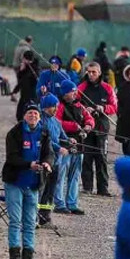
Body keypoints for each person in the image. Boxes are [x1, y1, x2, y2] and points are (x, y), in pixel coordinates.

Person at [3, 103, 54, 259]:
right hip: (15, 182)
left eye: (35, 113)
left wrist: (47, 163)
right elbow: (11, 158)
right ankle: (14, 258)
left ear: (39, 116)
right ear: (24, 116)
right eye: (30, 113)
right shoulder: (15, 133)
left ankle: (28, 257)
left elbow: (49, 153)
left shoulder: (44, 132)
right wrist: (29, 164)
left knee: (30, 222)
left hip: (33, 183)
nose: (33, 116)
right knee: (16, 221)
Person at [78, 62, 118, 196]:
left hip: (102, 127)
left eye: (93, 72)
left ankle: (103, 189)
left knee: (102, 158)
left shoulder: (107, 88)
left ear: (99, 73)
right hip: (87, 128)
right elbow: (74, 103)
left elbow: (114, 107)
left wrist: (103, 108)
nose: (91, 74)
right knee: (87, 158)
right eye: (88, 72)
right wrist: (84, 110)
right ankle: (87, 187)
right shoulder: (81, 87)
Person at [53, 82, 92, 216]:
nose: (75, 94)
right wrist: (73, 126)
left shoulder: (80, 106)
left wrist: (88, 126)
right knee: (61, 175)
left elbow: (90, 118)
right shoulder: (59, 106)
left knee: (75, 177)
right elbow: (56, 123)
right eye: (72, 91)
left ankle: (72, 203)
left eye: (75, 91)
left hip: (79, 145)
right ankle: (59, 203)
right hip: (64, 145)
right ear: (64, 93)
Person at [36, 94, 65, 227]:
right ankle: (36, 216)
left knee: (50, 192)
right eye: (54, 106)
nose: (56, 109)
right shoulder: (41, 121)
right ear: (47, 106)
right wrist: (59, 148)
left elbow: (63, 137)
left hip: (57, 163)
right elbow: (48, 142)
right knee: (42, 190)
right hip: (46, 161)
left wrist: (70, 141)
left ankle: (46, 217)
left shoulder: (56, 122)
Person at [15, 51, 40, 118]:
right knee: (19, 114)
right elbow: (20, 79)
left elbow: (34, 79)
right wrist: (21, 70)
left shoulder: (34, 68)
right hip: (24, 94)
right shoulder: (24, 67)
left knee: (28, 114)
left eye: (23, 58)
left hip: (31, 95)